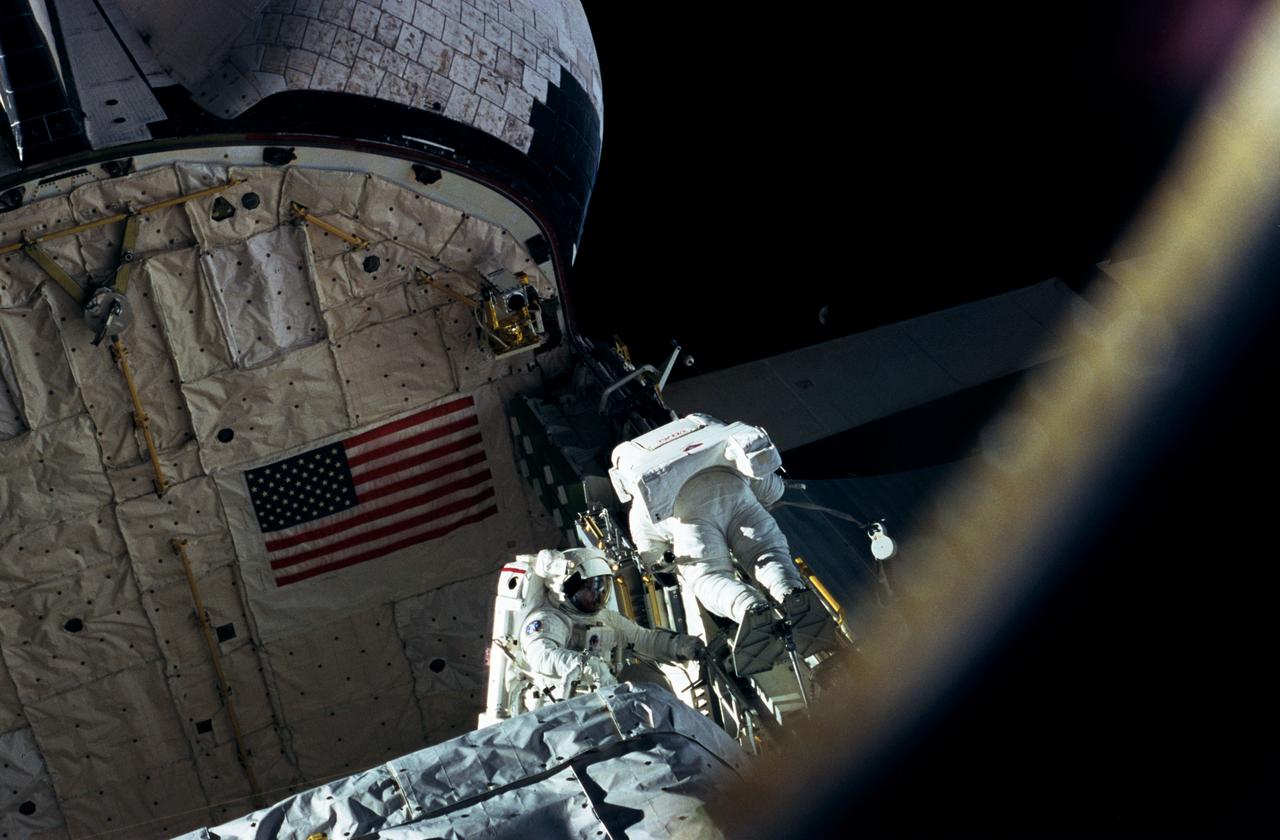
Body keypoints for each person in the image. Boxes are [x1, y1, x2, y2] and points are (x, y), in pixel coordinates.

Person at [622, 425, 837, 676]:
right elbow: (772, 488)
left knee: (710, 578)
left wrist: (665, 563)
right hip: (737, 494)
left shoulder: (642, 502)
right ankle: (790, 591)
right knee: (766, 554)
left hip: (691, 519)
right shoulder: (717, 443)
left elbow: (649, 553)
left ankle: (750, 606)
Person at [517, 547, 704, 706]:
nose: (598, 594)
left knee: (653, 683)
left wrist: (681, 646)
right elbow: (541, 655)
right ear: (566, 589)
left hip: (608, 689)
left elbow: (642, 639)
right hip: (572, 703)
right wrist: (586, 665)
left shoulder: (604, 617)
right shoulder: (549, 619)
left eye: (602, 586)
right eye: (589, 588)